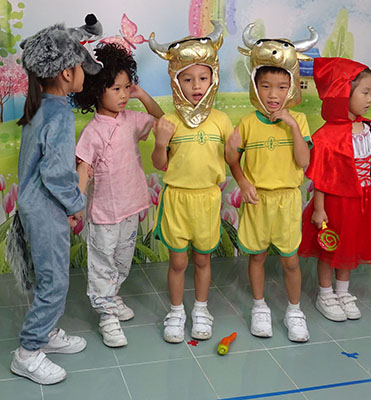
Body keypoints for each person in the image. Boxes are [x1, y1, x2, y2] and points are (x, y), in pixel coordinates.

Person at [9, 16, 103, 385]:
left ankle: (46, 334)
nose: (83, 74)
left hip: (35, 206)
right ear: (66, 73)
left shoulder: (42, 107)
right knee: (54, 282)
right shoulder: (59, 114)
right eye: (80, 66)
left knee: (50, 276)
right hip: (46, 209)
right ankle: (28, 352)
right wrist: (76, 204)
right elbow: (57, 174)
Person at [226, 24, 319, 342]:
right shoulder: (247, 123)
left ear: (291, 87)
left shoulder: (299, 121)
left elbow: (304, 162)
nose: (273, 94)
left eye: (281, 87)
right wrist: (242, 182)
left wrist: (292, 126)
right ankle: (259, 307)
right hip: (257, 202)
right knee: (257, 257)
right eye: (266, 86)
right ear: (255, 86)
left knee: (291, 261)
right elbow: (233, 159)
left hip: (287, 201)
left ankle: (294, 310)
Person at [70, 43, 164, 347]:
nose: (123, 95)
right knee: (102, 264)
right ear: (97, 91)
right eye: (116, 89)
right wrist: (76, 205)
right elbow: (83, 169)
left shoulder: (132, 120)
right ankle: (106, 315)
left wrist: (142, 95)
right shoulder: (93, 132)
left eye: (126, 87)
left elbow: (162, 120)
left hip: (131, 206)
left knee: (122, 261)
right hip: (104, 213)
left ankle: (112, 297)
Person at [149, 21, 233, 343]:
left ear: (213, 78)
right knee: (178, 261)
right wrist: (160, 142)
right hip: (177, 200)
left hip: (208, 199)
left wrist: (235, 151)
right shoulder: (169, 121)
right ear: (176, 81)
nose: (196, 85)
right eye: (187, 79)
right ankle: (175, 311)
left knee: (202, 258)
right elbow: (160, 164)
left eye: (202, 77)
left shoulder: (221, 120)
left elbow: (232, 159)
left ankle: (200, 309)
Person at [299, 57, 371, 321]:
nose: (369, 99)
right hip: (334, 203)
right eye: (364, 92)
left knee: (349, 246)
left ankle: (343, 292)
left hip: (362, 201)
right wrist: (319, 209)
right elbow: (321, 177)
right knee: (330, 247)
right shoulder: (326, 136)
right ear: (342, 93)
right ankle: (325, 294)